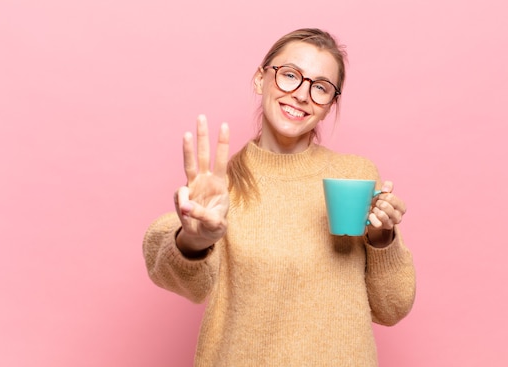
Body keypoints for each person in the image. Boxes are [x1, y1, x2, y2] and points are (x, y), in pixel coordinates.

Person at [143, 28, 416, 366]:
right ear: (260, 79)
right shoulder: (219, 187)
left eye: (320, 87)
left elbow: (392, 308)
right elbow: (175, 275)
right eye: (289, 75)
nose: (302, 95)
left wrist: (382, 239)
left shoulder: (357, 176)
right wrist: (192, 240)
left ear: (330, 104)